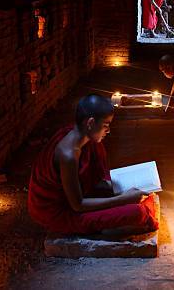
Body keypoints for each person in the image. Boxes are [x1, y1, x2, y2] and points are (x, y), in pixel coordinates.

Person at [28, 94, 159, 235]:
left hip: (79, 195)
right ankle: (104, 227)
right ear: (90, 123)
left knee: (137, 195)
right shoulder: (69, 155)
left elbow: (93, 177)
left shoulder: (82, 137)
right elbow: (77, 205)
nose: (108, 131)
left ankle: (108, 220)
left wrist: (112, 188)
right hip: (59, 212)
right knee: (138, 212)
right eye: (105, 126)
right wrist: (122, 199)